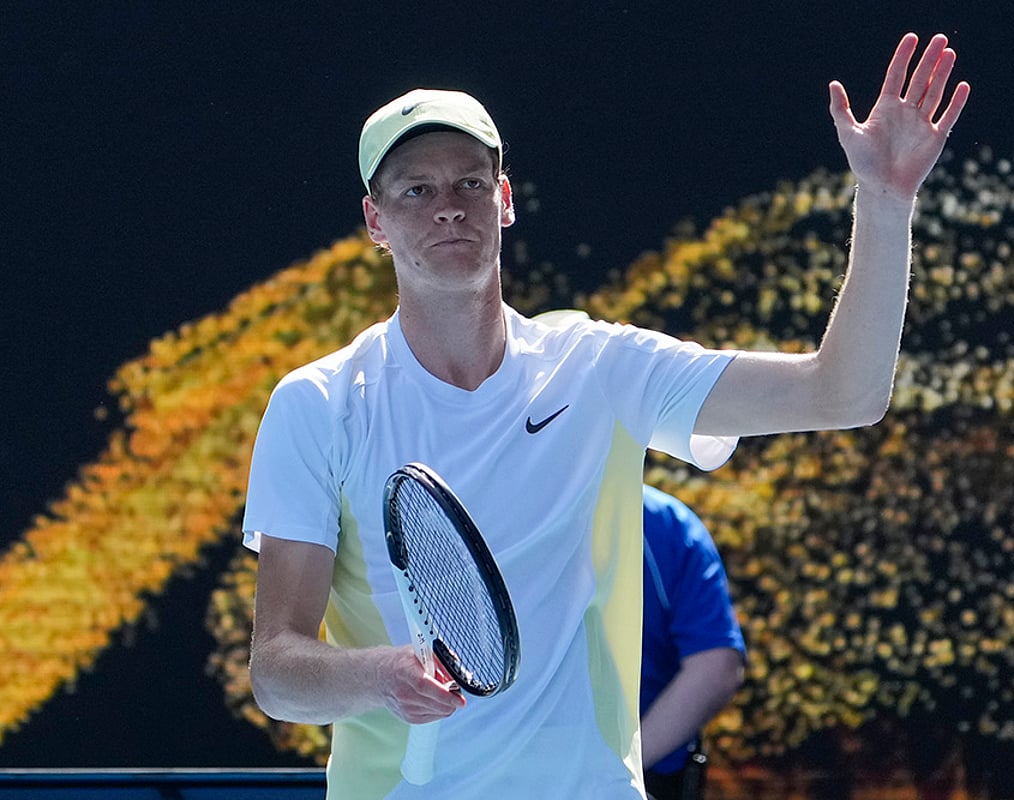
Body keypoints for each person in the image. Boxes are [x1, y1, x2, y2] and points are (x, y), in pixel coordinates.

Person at [244, 32, 969, 800]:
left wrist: (887, 204)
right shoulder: (317, 404)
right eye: (415, 192)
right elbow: (278, 673)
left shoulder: (600, 366)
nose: (449, 209)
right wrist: (378, 676)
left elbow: (844, 393)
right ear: (375, 221)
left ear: (506, 200)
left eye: (469, 184)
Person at [640, 485, 745, 800]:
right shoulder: (667, 521)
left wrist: (615, 773)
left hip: (646, 779)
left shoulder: (662, 524)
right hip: (646, 778)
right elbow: (716, 666)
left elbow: (716, 667)